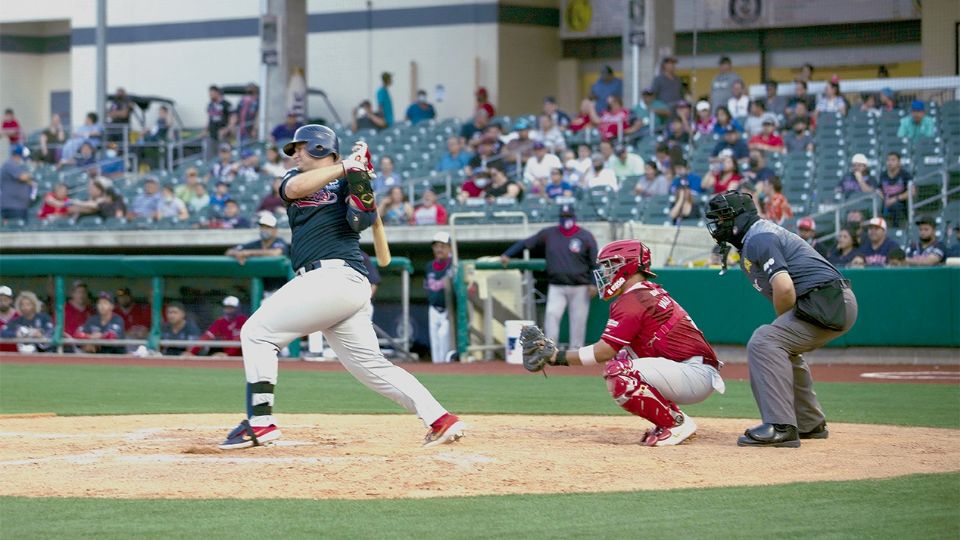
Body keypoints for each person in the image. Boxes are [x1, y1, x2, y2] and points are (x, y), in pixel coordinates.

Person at [217, 124, 464, 450]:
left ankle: (260, 424)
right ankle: (440, 419)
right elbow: (293, 189)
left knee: (257, 334)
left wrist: (360, 181)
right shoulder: (295, 179)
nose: (296, 155)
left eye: (301, 148)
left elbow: (360, 220)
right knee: (370, 367)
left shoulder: (349, 179)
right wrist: (348, 166)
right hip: (332, 284)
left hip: (335, 277)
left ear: (320, 147)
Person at [519, 239, 724, 446]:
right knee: (623, 356)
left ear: (628, 265)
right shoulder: (645, 292)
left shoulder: (633, 299)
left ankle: (674, 424)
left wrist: (556, 357)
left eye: (610, 265)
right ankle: (672, 418)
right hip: (693, 370)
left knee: (620, 371)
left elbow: (603, 351)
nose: (606, 272)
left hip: (694, 373)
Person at [705, 191, 857, 447]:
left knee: (764, 341)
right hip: (831, 300)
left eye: (723, 218)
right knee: (779, 346)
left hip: (827, 301)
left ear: (740, 218)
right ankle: (810, 423)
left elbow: (785, 288)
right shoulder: (756, 238)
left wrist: (780, 324)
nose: (719, 225)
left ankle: (780, 426)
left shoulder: (759, 238)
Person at [500, 205, 597, 349]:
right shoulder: (550, 233)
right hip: (556, 285)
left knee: (578, 321)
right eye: (563, 217)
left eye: (568, 217)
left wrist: (593, 283)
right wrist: (508, 253)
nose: (566, 220)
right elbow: (526, 243)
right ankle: (550, 350)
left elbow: (595, 262)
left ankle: (576, 353)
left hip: (580, 286)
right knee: (552, 316)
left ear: (574, 218)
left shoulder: (585, 236)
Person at [227, 212, 289, 291]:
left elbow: (276, 252)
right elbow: (229, 251)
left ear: (275, 230)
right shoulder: (255, 244)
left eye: (268, 227)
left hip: (280, 288)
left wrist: (248, 253)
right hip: (260, 288)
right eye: (262, 227)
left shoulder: (279, 242)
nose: (264, 230)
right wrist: (238, 253)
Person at [424, 232, 455, 363]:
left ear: (449, 248)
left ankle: (445, 367)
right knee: (435, 341)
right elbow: (427, 286)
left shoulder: (454, 265)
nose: (439, 249)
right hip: (434, 308)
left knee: (444, 338)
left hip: (449, 308)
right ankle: (437, 368)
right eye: (436, 246)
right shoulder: (429, 266)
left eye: (442, 246)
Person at [1, 145, 35, 223]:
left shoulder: (17, 166)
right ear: (17, 155)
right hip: (11, 206)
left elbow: (29, 181)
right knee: (14, 230)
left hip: (20, 206)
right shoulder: (9, 164)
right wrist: (32, 170)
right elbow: (23, 177)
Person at [878, 152, 913, 228]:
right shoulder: (883, 175)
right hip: (885, 203)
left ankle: (896, 229)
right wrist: (884, 199)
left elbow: (912, 191)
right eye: (888, 160)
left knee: (895, 206)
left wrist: (895, 198)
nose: (890, 162)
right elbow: (879, 190)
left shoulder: (905, 174)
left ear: (899, 162)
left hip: (901, 203)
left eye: (893, 160)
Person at [205, 86, 231, 154]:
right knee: (210, 155)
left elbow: (233, 118)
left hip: (223, 135)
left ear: (217, 93)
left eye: (212, 94)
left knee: (223, 154)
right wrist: (205, 130)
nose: (210, 96)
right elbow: (210, 118)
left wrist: (227, 129)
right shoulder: (210, 105)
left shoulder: (226, 104)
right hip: (212, 134)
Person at [0, 286, 18, 353]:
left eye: (5, 300)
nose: (2, 302)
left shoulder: (19, 315)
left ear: (11, 300)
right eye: (0, 300)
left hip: (17, 355)